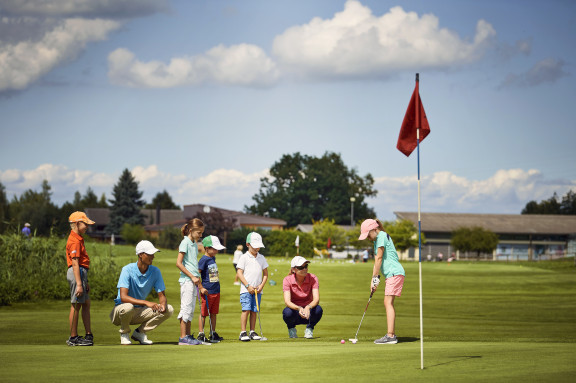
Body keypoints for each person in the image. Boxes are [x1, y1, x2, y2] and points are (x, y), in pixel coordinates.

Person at [110, 240, 174, 345]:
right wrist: (145, 302)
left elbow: (162, 296)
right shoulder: (127, 269)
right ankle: (124, 333)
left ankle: (140, 333)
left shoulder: (155, 271)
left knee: (169, 309)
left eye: (153, 254)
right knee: (128, 307)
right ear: (140, 255)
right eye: (149, 254)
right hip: (120, 312)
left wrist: (162, 305)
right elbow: (123, 297)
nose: (153, 257)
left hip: (139, 312)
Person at [358, 218, 405, 345]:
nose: (367, 238)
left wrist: (375, 278)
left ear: (374, 229)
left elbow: (379, 258)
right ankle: (391, 335)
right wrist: (374, 279)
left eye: (368, 235)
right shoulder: (377, 239)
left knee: (387, 302)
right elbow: (376, 262)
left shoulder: (381, 236)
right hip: (392, 274)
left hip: (394, 273)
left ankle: (390, 336)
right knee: (388, 302)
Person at [66, 212, 95, 346]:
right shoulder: (74, 241)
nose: (87, 227)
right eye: (85, 224)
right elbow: (75, 263)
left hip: (81, 274)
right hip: (76, 273)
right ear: (77, 224)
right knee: (76, 304)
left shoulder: (78, 238)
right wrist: (79, 284)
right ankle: (73, 337)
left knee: (86, 303)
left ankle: (88, 334)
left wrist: (84, 282)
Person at [175, 218, 205, 346]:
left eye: (202, 233)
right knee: (186, 308)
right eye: (199, 233)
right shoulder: (185, 242)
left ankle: (188, 336)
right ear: (191, 230)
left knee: (191, 310)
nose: (200, 235)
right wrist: (192, 277)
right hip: (187, 281)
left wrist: (197, 280)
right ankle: (183, 337)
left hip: (193, 282)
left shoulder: (193, 244)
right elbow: (179, 263)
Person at [236, 232, 269, 342]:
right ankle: (243, 332)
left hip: (258, 290)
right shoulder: (244, 257)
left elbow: (265, 274)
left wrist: (261, 286)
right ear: (248, 244)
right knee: (246, 309)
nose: (257, 248)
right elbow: (239, 273)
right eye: (255, 246)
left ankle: (252, 331)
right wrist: (247, 286)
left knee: (255, 311)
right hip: (246, 290)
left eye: (258, 246)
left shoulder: (262, 258)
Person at [282, 256, 323, 339]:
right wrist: (299, 308)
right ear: (293, 269)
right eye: (301, 267)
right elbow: (287, 301)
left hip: (309, 312)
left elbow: (316, 299)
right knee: (287, 312)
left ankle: (309, 329)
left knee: (318, 309)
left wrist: (308, 307)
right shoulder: (287, 280)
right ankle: (291, 329)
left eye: (306, 266)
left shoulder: (313, 278)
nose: (304, 269)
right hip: (295, 312)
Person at [197, 235, 226, 343]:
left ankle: (212, 332)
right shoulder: (203, 260)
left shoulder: (213, 258)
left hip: (216, 291)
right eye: (214, 248)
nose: (216, 251)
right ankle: (201, 333)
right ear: (207, 248)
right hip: (207, 291)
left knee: (214, 313)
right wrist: (201, 287)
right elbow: (197, 274)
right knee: (204, 314)